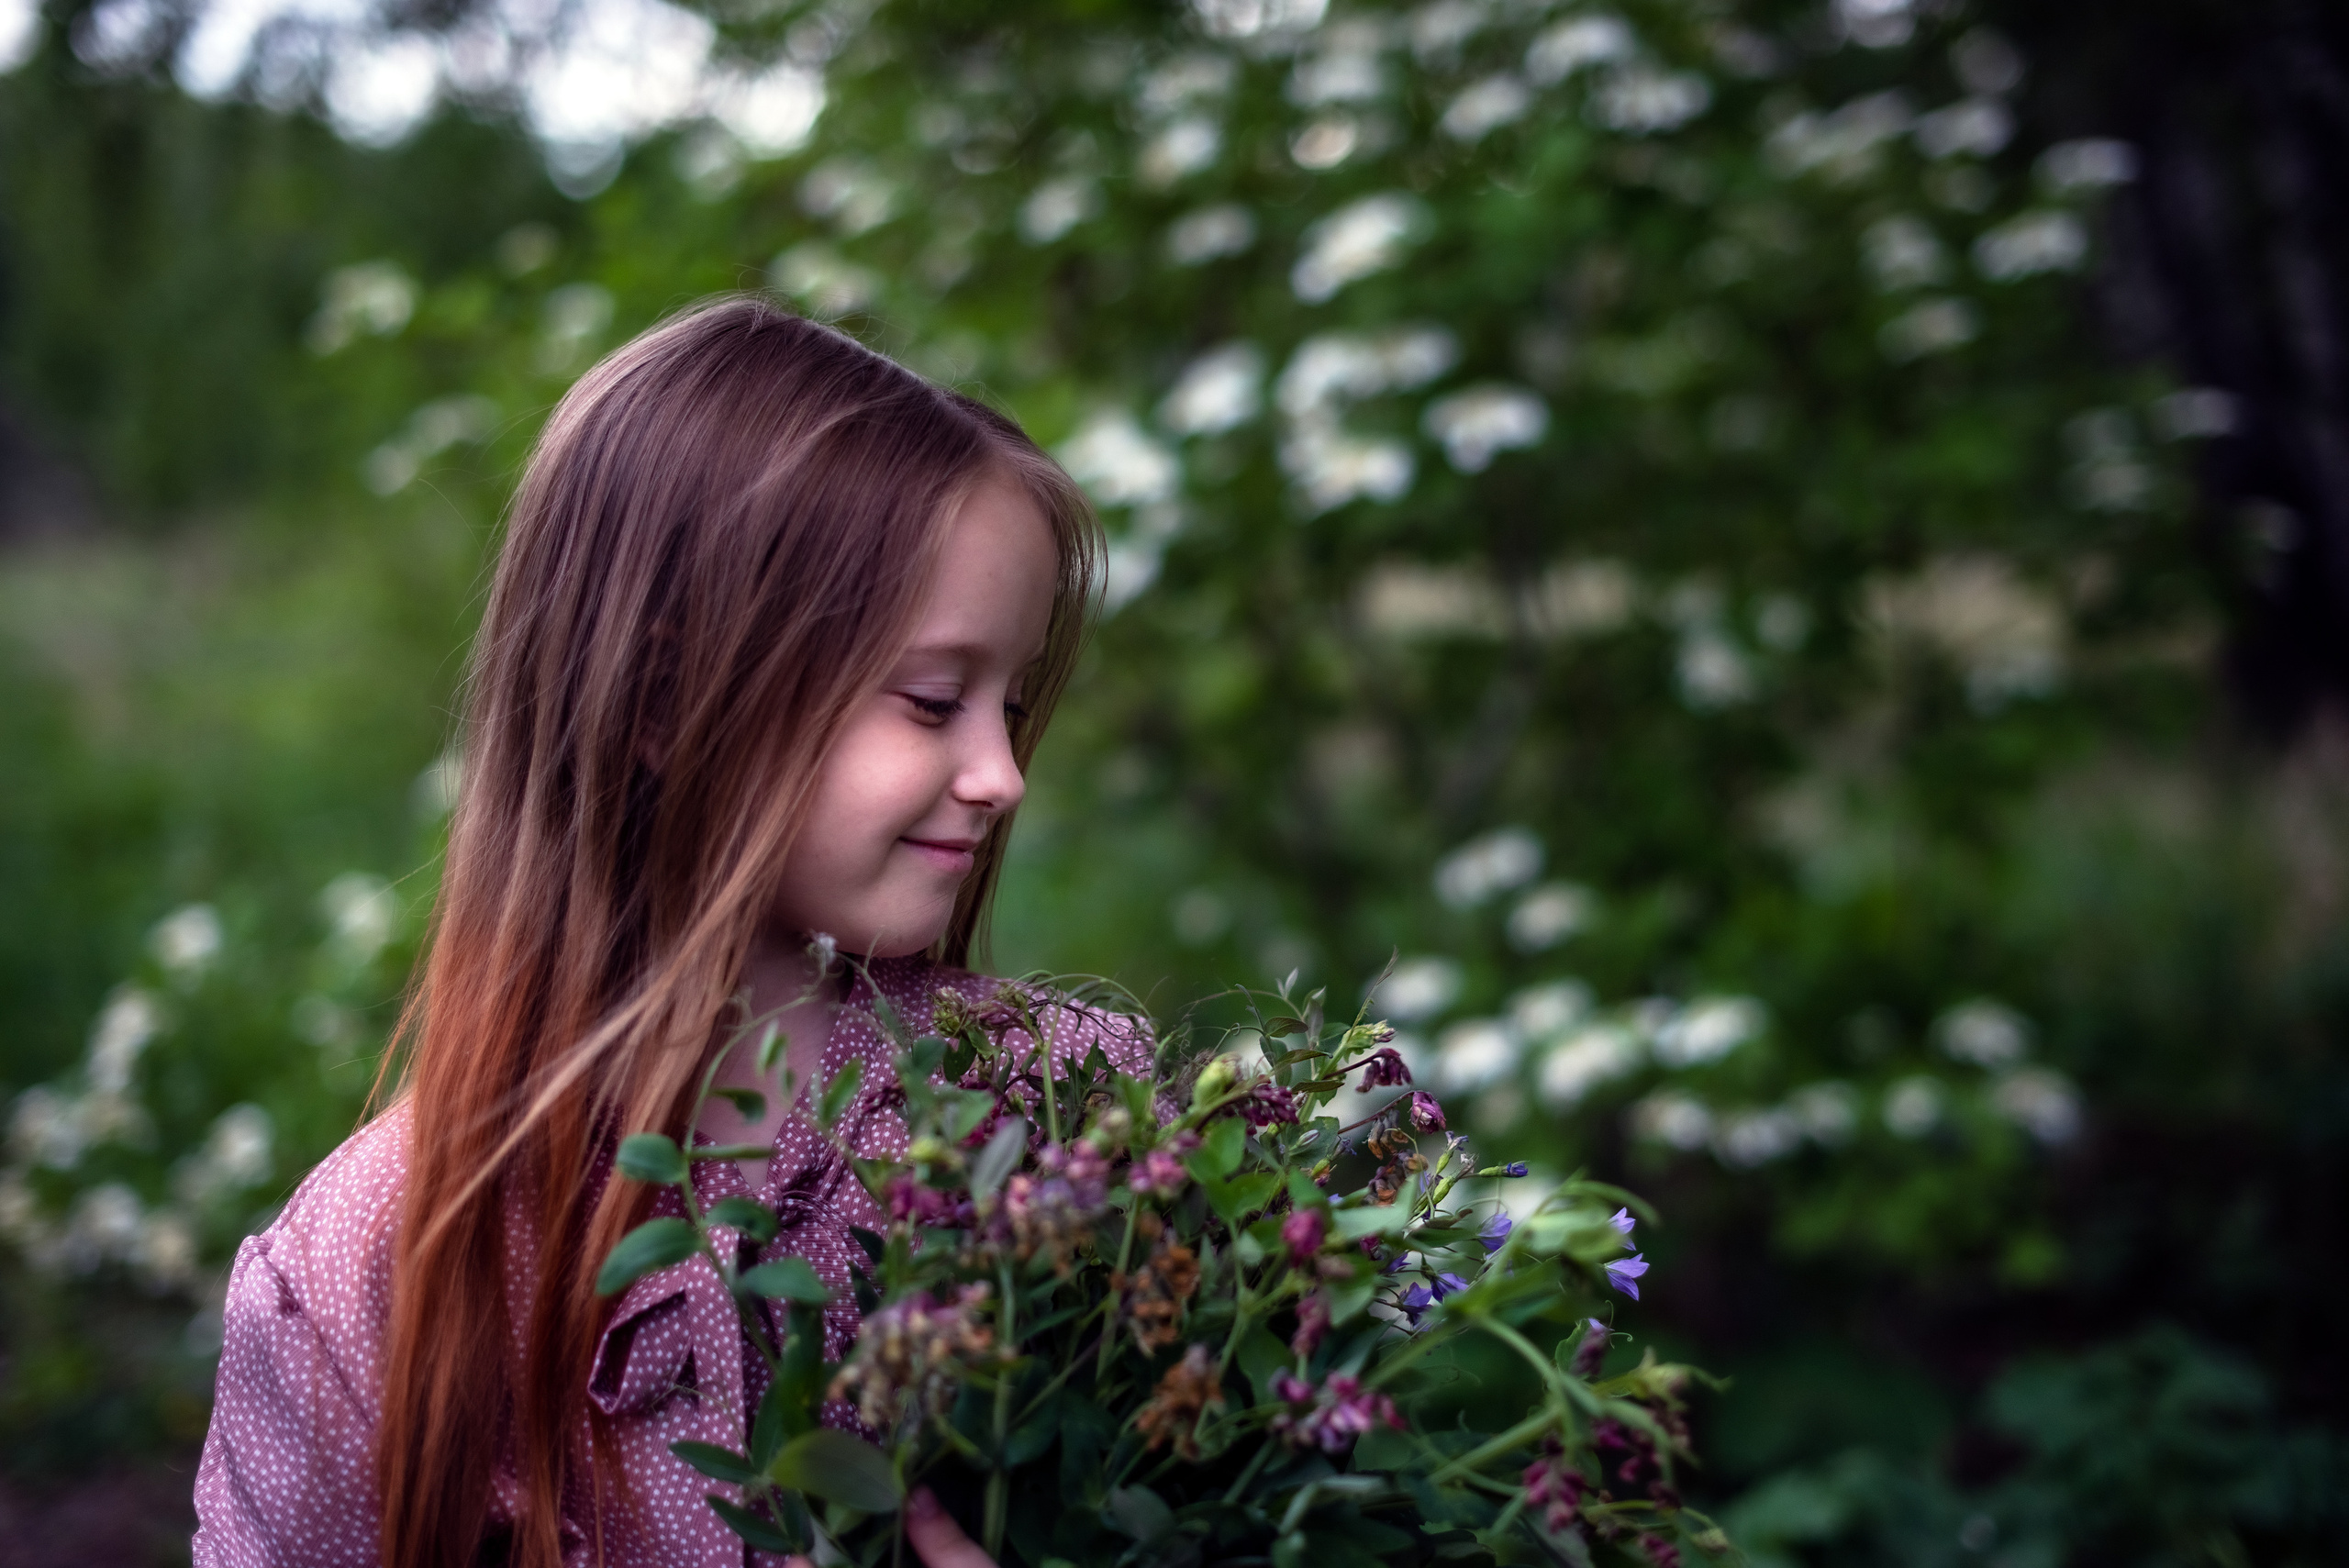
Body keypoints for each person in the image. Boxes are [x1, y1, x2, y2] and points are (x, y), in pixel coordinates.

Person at [191, 297, 1145, 1568]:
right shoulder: (385, 1265)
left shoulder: (1058, 1114)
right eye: (931, 700)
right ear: (659, 698)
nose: (1001, 771)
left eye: (1010, 704)